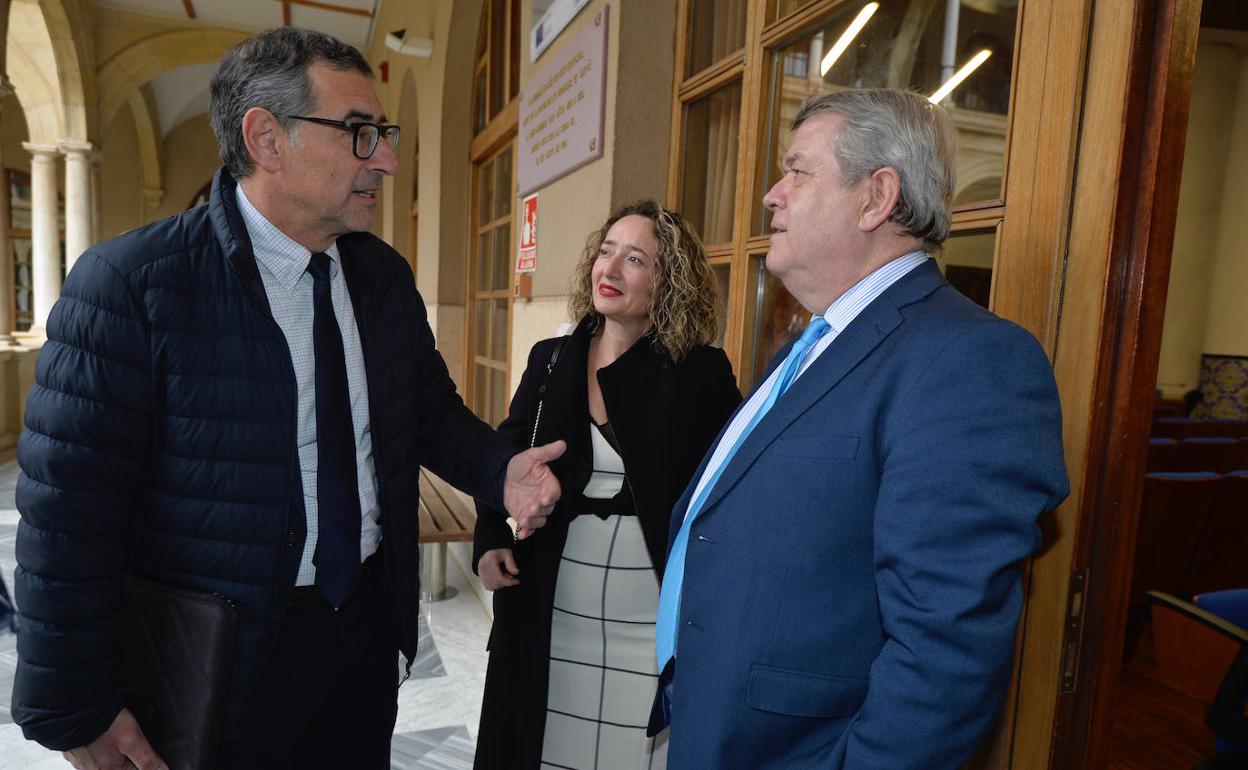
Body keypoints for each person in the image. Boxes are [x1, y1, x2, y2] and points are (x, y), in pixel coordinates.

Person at [10, 27, 564, 770]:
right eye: (361, 135)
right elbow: (67, 514)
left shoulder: (382, 279)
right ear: (267, 138)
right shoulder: (132, 287)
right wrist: (77, 704)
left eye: (385, 134)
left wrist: (500, 471)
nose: (388, 161)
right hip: (222, 658)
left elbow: (427, 411)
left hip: (363, 634)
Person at [653, 89, 1070, 768]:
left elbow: (944, 655)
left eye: (798, 171)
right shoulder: (818, 339)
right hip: (720, 728)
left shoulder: (970, 361)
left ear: (876, 197)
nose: (771, 195)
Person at [472, 201, 741, 770]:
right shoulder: (552, 360)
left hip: (644, 623)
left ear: (670, 281)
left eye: (636, 259)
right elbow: (506, 453)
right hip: (550, 609)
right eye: (605, 251)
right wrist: (491, 535)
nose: (610, 270)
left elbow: (729, 496)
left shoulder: (701, 374)